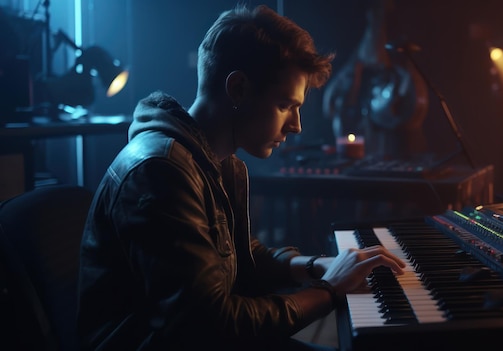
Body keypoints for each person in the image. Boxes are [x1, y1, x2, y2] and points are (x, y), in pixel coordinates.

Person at [77, 4, 406, 350]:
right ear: (238, 88)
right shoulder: (161, 171)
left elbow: (236, 254)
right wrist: (328, 291)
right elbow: (212, 324)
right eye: (285, 105)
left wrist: (314, 266)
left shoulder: (216, 160)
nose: (296, 126)